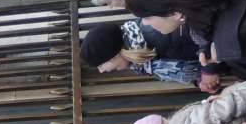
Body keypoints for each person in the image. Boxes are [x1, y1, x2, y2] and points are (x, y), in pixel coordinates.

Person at [81, 19, 221, 91]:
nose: (102, 71)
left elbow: (201, 28)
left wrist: (208, 71)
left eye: (101, 65)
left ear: (113, 54)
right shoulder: (140, 62)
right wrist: (199, 81)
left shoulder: (153, 31)